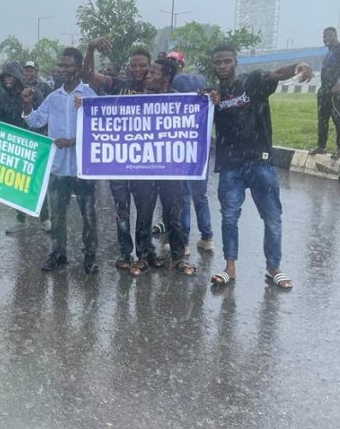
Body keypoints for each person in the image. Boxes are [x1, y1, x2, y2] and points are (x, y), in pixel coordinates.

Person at [209, 44, 312, 289]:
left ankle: (273, 267)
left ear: (235, 62)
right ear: (213, 66)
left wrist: (298, 66)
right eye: (218, 63)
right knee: (229, 217)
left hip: (260, 160)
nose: (222, 66)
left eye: (227, 61)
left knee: (272, 217)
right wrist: (208, 101)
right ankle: (229, 268)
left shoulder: (252, 81)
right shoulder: (211, 94)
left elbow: (276, 74)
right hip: (230, 165)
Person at [22, 47, 98, 274]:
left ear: (78, 68)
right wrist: (26, 104)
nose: (61, 69)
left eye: (66, 66)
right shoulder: (52, 97)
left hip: (82, 168)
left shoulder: (89, 95)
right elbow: (35, 121)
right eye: (60, 65)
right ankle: (58, 253)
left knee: (88, 214)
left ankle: (90, 256)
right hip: (57, 168)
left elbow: (99, 128)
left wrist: (74, 141)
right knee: (57, 214)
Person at [82, 40, 152, 268]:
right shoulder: (117, 85)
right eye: (134, 65)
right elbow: (88, 75)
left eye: (143, 65)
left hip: (146, 162)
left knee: (144, 213)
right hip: (119, 161)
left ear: (150, 67)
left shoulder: (158, 90)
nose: (138, 70)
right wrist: (90, 49)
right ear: (128, 67)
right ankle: (125, 253)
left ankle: (143, 253)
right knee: (122, 212)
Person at [126, 58, 197, 277]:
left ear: (166, 77)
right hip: (143, 167)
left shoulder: (181, 101)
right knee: (144, 215)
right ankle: (143, 256)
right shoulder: (137, 101)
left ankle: (178, 257)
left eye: (154, 72)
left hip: (170, 169)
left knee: (173, 214)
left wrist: (209, 100)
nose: (147, 75)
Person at [167, 52, 215, 253]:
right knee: (200, 195)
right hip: (200, 147)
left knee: (184, 197)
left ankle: (184, 242)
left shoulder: (172, 83)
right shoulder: (200, 81)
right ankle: (207, 237)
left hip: (180, 148)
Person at [0, 61, 50, 233]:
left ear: (18, 77)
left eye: (10, 76)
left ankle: (45, 218)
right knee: (17, 183)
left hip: (33, 144)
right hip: (13, 145)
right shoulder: (2, 95)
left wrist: (41, 140)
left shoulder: (34, 93)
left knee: (37, 182)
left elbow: (42, 118)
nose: (7, 80)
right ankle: (21, 218)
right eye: (4, 77)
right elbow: (1, 118)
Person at [309, 27, 340, 158]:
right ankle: (322, 146)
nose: (326, 39)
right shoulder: (329, 52)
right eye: (324, 36)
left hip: (335, 92)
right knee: (322, 119)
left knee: (337, 119)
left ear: (335, 35)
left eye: (329, 36)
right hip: (324, 91)